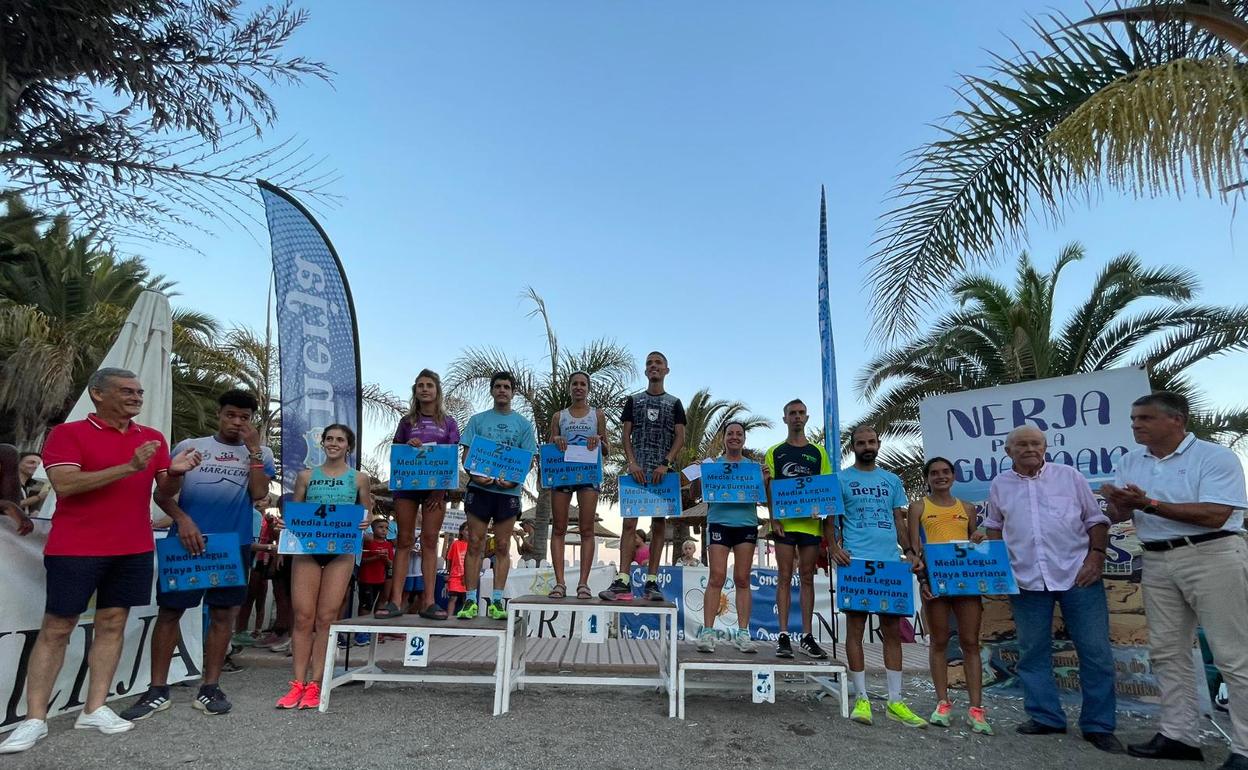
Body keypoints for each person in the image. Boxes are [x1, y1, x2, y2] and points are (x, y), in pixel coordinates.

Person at [0, 368, 202, 755]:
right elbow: (67, 485)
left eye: (139, 391)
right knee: (57, 627)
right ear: (97, 394)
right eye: (126, 391)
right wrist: (129, 466)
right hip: (76, 547)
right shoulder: (68, 434)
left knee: (113, 623)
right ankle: (35, 719)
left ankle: (94, 708)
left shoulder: (153, 438)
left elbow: (164, 492)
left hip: (133, 547)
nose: (136, 397)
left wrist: (174, 473)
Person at [1100, 392, 1248, 768]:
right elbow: (1121, 516)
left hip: (1212, 554)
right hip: (1156, 558)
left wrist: (1147, 503)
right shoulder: (1131, 460)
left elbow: (1215, 514)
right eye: (1134, 418)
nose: (1136, 424)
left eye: (1145, 418)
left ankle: (1245, 748)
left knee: (1232, 654)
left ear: (1177, 421)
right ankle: (1179, 735)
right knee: (1167, 651)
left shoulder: (1215, 457)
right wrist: (1115, 502)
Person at [121, 389, 275, 720]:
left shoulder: (261, 453)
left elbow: (260, 493)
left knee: (223, 616)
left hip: (232, 547)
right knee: (169, 613)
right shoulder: (190, 447)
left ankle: (210, 687)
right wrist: (183, 519)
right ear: (218, 414)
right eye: (230, 415)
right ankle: (157, 690)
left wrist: (253, 453)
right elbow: (162, 495)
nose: (236, 422)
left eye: (244, 418)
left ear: (251, 421)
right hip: (185, 543)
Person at [983, 426, 1122, 753]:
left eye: (1035, 443)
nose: (1029, 448)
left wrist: (1097, 557)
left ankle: (1099, 725)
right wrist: (1000, 570)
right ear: (1008, 451)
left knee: (1096, 652)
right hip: (1026, 579)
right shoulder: (999, 484)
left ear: (1046, 447)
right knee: (1032, 651)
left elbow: (1096, 520)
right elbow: (993, 527)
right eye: (1021, 444)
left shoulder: (1069, 476)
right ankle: (1046, 716)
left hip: (1078, 574)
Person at [830, 425, 927, 728]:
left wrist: (910, 550)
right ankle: (861, 698)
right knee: (855, 631)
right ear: (854, 446)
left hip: (889, 563)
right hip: (856, 563)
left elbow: (898, 519)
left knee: (892, 631)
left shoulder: (892, 480)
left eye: (871, 441)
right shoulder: (841, 479)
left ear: (878, 444)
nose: (867, 446)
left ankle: (896, 701)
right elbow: (831, 518)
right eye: (861, 443)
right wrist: (833, 547)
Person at [274, 424, 372, 710]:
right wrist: (284, 523)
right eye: (329, 439)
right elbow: (294, 512)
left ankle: (316, 683)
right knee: (303, 617)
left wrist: (365, 522)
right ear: (322, 443)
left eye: (339, 440)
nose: (333, 443)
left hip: (340, 552)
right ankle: (297, 684)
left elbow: (366, 513)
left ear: (348, 446)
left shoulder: (359, 479)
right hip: (307, 550)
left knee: (326, 618)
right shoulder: (306, 476)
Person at [906, 457, 992, 735]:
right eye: (934, 473)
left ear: (953, 476)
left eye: (945, 472)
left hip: (965, 583)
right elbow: (915, 551)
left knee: (970, 642)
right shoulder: (918, 508)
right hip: (936, 583)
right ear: (927, 478)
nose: (940, 477)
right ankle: (942, 703)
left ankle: (976, 709)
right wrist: (922, 580)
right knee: (939, 642)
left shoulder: (967, 507)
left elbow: (973, 546)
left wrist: (978, 539)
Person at [601, 351, 686, 601]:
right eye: (649, 363)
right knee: (629, 523)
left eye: (658, 362)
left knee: (658, 523)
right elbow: (626, 435)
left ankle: (652, 581)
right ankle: (623, 580)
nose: (653, 366)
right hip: (637, 472)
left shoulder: (674, 402)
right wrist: (632, 463)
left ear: (666, 370)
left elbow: (679, 436)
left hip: (662, 473)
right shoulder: (634, 400)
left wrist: (666, 463)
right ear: (645, 370)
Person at [376, 370, 460, 620]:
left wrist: (439, 489)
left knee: (430, 541)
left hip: (436, 490)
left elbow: (451, 456)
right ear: (415, 391)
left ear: (437, 390)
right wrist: (407, 446)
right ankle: (395, 602)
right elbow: (396, 454)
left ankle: (429, 601)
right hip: (407, 488)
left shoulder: (449, 423)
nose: (425, 389)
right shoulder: (406, 422)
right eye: (420, 385)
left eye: (429, 385)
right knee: (403, 540)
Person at [456, 371, 537, 620]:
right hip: (479, 490)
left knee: (502, 545)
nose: (502, 390)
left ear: (513, 393)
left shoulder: (523, 425)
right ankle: (469, 601)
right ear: (492, 391)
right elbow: (467, 457)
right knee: (475, 544)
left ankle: (498, 602)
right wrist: (476, 475)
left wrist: (513, 479)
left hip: (508, 492)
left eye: (507, 387)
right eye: (498, 386)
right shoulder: (478, 421)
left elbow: (528, 460)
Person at [764, 398, 832, 659]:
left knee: (806, 577)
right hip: (784, 524)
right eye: (792, 413)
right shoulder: (775, 451)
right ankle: (783, 635)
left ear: (807, 417)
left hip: (810, 526)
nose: (796, 417)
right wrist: (774, 519)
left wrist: (823, 513)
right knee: (783, 576)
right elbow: (770, 488)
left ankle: (806, 636)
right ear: (785, 419)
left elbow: (825, 488)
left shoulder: (818, 452)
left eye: (801, 413)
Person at [693, 421, 760, 654]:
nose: (734, 437)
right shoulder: (712, 465)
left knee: (742, 578)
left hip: (746, 524)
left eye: (738, 434)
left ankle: (743, 634)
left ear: (744, 438)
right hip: (719, 522)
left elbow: (763, 497)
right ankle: (708, 632)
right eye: (730, 433)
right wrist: (698, 476)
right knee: (716, 577)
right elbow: (695, 495)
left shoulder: (753, 467)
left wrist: (766, 480)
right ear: (723, 438)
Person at [547, 371, 608, 600]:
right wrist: (556, 440)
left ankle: (583, 583)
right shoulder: (559, 417)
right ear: (569, 388)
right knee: (559, 528)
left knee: (587, 529)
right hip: (563, 475)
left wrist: (598, 442)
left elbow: (607, 449)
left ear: (588, 388)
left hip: (588, 476)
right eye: (575, 384)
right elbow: (551, 447)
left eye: (583, 384)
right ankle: (560, 583)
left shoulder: (597, 415)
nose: (579, 387)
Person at [359, 517, 394, 615]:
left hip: (380, 579)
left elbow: (390, 563)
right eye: (380, 527)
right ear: (373, 529)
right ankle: (361, 628)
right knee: (366, 604)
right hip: (366, 579)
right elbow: (361, 560)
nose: (384, 530)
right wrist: (376, 557)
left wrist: (385, 558)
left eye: (386, 528)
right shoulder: (367, 543)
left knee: (381, 601)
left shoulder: (388, 545)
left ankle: (374, 624)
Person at [445, 523, 469, 617]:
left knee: (466, 599)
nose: (469, 532)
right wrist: (449, 572)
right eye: (467, 530)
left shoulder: (472, 545)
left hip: (467, 577)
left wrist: (466, 576)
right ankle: (449, 618)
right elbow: (449, 559)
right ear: (461, 532)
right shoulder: (455, 543)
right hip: (455, 576)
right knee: (452, 598)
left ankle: (464, 619)